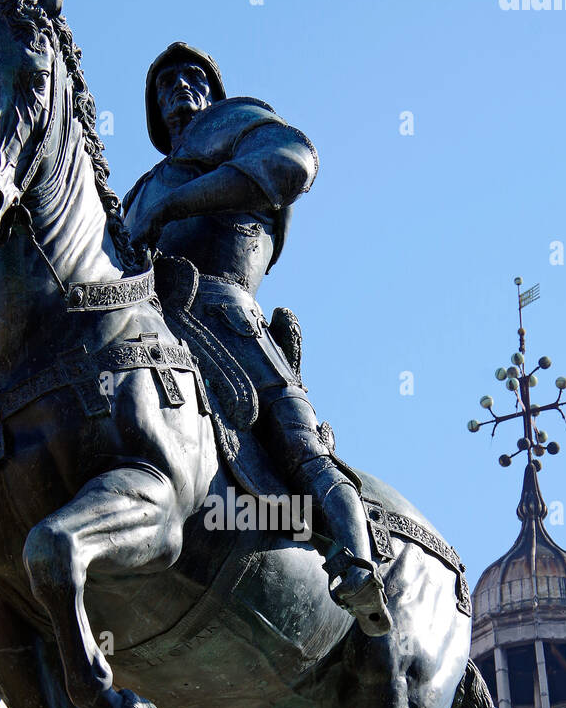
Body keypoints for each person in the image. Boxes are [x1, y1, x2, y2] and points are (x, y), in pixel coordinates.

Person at [123, 41, 391, 636]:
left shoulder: (239, 128)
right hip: (149, 327)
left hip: (224, 315)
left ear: (214, 95)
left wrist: (177, 202)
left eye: (192, 79)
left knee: (299, 449)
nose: (178, 92)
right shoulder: (139, 191)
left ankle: (356, 559)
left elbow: (290, 162)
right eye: (164, 86)